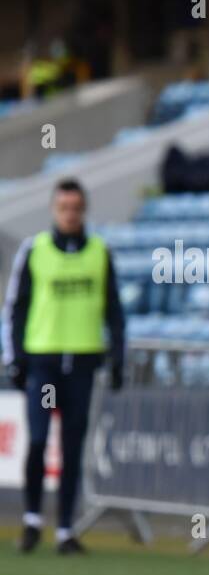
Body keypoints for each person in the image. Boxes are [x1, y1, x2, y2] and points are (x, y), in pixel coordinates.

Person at [2, 178, 126, 555]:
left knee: (73, 447)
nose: (70, 215)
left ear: (84, 210)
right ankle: (32, 521)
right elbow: (16, 308)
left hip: (83, 365)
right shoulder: (35, 250)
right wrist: (15, 359)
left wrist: (118, 356)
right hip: (46, 366)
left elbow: (114, 311)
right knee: (39, 440)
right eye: (63, 208)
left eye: (76, 208)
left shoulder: (99, 253)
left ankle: (66, 530)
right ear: (54, 210)